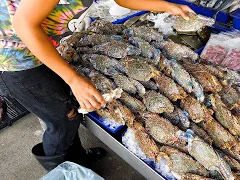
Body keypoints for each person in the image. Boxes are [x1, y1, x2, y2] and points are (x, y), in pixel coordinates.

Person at [0, 0, 194, 172]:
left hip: (43, 48)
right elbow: (23, 24)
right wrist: (74, 79)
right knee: (61, 120)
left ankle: (78, 162)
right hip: (17, 59)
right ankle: (63, 173)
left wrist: (167, 6)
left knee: (66, 110)